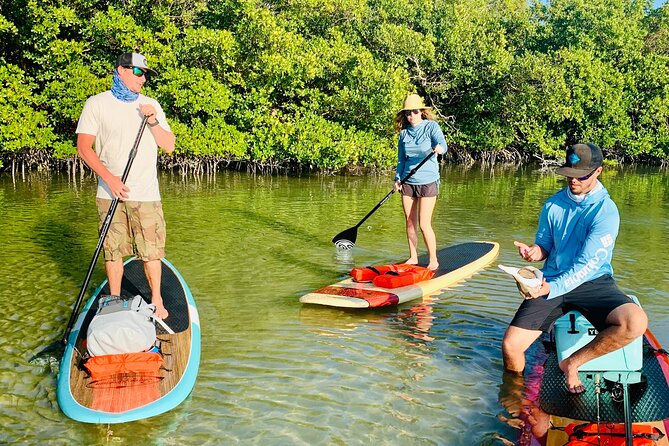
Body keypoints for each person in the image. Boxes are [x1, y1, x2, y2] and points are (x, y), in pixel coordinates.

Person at [501, 143, 647, 393]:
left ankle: (573, 363)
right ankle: (516, 396)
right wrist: (533, 253)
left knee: (635, 322)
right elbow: (545, 245)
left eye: (582, 175)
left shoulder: (606, 211)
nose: (574, 180)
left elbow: (587, 265)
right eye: (570, 174)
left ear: (598, 172)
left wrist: (550, 288)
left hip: (592, 282)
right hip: (553, 279)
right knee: (511, 346)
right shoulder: (553, 205)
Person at [76, 52, 176, 320]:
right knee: (113, 250)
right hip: (109, 194)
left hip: (146, 193)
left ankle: (156, 300)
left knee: (151, 251)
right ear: (121, 70)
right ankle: (114, 299)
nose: (143, 79)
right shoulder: (97, 103)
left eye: (146, 75)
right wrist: (110, 179)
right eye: (139, 73)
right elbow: (84, 147)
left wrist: (153, 120)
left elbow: (169, 145)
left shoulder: (150, 104)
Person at [393, 93, 447, 271]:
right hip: (408, 181)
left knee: (424, 224)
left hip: (428, 181)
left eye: (415, 111)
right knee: (409, 222)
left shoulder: (431, 127)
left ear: (421, 112)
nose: (411, 115)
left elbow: (443, 146)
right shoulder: (404, 134)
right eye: (408, 112)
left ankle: (433, 260)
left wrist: (439, 148)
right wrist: (397, 179)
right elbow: (401, 160)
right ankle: (413, 257)